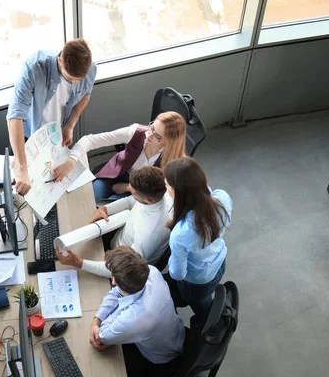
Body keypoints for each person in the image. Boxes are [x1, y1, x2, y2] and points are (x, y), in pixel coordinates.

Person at [7, 39, 97, 195]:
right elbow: (15, 115)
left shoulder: (90, 69)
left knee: (55, 190)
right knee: (28, 184)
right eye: (70, 79)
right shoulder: (34, 67)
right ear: (59, 60)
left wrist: (70, 125)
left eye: (79, 80)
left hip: (58, 136)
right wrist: (22, 168)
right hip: (32, 136)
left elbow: (86, 95)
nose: (75, 84)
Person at [55, 166, 173, 277]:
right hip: (118, 238)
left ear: (148, 200)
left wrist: (78, 263)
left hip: (118, 262)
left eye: (132, 191)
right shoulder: (161, 195)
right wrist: (105, 209)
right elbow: (131, 202)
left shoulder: (148, 235)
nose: (127, 188)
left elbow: (125, 269)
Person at [90, 247, 185, 374]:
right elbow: (116, 293)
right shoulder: (152, 272)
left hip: (161, 357)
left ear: (113, 280)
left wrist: (96, 325)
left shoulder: (135, 318)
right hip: (175, 333)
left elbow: (101, 339)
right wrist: (97, 319)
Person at [53, 111, 186, 202]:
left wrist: (128, 187)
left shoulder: (175, 161)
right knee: (90, 200)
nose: (149, 135)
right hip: (118, 172)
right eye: (152, 127)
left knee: (106, 211)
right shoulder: (137, 132)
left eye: (157, 136)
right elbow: (90, 140)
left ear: (169, 142)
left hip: (142, 189)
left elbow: (162, 192)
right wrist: (71, 161)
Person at [163, 156, 232, 320]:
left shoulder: (180, 234)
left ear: (177, 192)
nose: (165, 189)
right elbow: (206, 191)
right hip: (219, 262)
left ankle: (212, 324)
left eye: (167, 186)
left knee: (203, 309)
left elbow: (178, 274)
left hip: (198, 281)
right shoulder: (222, 197)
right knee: (205, 298)